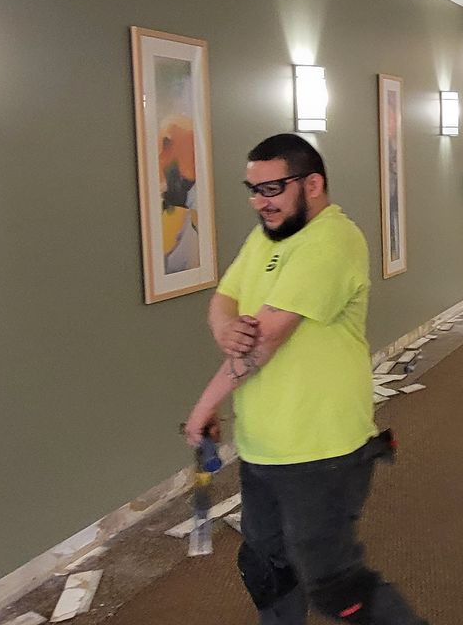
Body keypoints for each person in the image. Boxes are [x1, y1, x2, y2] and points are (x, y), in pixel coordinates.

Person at [182, 133, 428, 625]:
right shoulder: (267, 237)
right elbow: (224, 298)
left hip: (321, 448)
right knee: (266, 565)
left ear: (312, 184)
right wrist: (226, 327)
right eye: (253, 190)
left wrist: (204, 407)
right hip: (263, 444)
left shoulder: (332, 241)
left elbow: (265, 341)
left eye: (272, 189)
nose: (260, 202)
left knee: (336, 584)